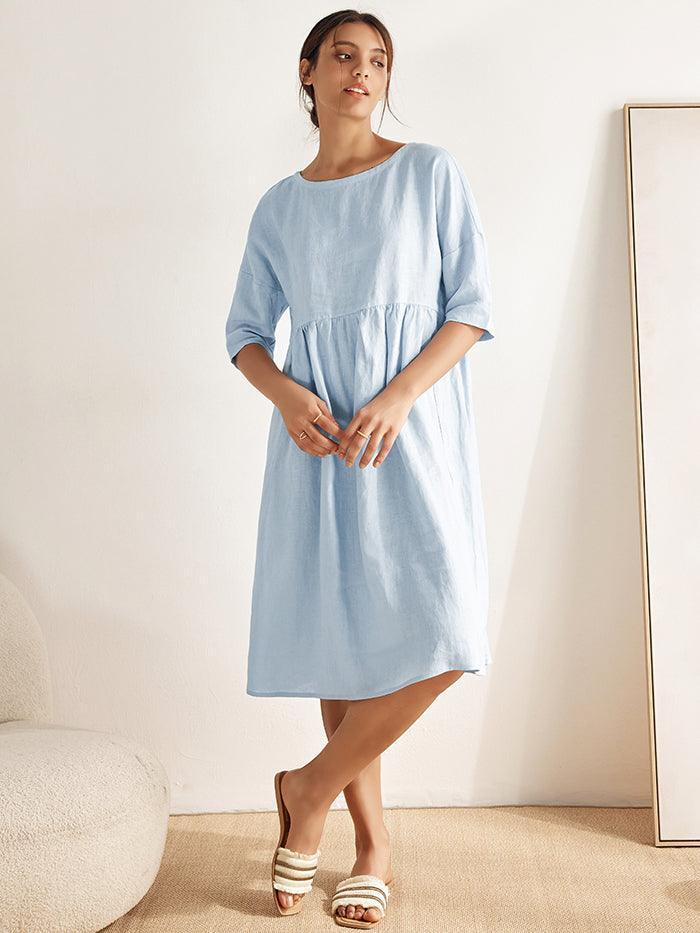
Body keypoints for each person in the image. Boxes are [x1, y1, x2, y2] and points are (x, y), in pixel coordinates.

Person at [225, 9, 496, 928]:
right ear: (307, 70)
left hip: (408, 429)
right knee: (345, 635)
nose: (364, 72)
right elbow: (246, 334)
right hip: (321, 439)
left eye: (379, 60)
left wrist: (402, 395)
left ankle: (306, 788)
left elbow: (470, 308)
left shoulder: (429, 172)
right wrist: (285, 396)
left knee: (448, 628)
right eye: (344, 55)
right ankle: (371, 844)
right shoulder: (280, 206)